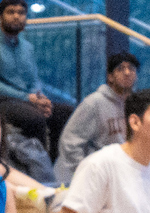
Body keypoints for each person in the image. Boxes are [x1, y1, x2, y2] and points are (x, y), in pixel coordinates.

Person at [0, 0, 72, 175]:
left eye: (21, 13)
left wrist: (40, 98)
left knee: (64, 113)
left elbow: (33, 80)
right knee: (34, 119)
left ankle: (50, 168)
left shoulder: (27, 47)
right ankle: (37, 172)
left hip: (25, 100)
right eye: (11, 12)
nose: (16, 17)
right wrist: (27, 98)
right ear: (0, 17)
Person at [56, 50, 138, 184]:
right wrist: (85, 174)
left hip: (121, 177)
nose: (127, 73)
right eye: (120, 69)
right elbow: (69, 142)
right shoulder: (94, 103)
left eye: (131, 69)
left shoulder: (137, 106)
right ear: (110, 77)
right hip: (93, 178)